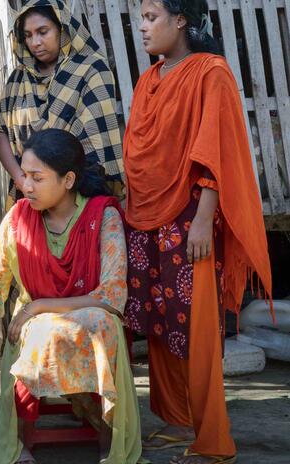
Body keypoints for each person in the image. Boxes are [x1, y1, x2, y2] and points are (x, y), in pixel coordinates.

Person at [125, 1, 272, 463]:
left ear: (181, 19)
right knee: (159, 321)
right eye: (141, 17)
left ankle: (213, 440)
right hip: (146, 216)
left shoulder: (211, 72)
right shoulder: (150, 78)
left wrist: (205, 217)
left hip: (191, 218)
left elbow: (216, 148)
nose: (143, 26)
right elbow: (140, 149)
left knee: (198, 327)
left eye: (151, 17)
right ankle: (178, 421)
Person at [0, 129, 142, 464]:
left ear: (67, 180)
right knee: (36, 330)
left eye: (37, 177)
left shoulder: (102, 216)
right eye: (24, 176)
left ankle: (109, 438)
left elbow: (111, 296)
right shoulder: (18, 219)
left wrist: (38, 305)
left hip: (88, 316)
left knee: (97, 322)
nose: (26, 186)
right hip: (34, 327)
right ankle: (21, 439)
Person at [0, 0, 124, 200]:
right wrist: (21, 179)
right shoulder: (18, 78)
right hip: (28, 193)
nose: (35, 42)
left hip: (78, 194)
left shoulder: (91, 69)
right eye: (28, 35)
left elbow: (96, 140)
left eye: (43, 31)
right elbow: (1, 131)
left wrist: (59, 188)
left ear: (61, 29)